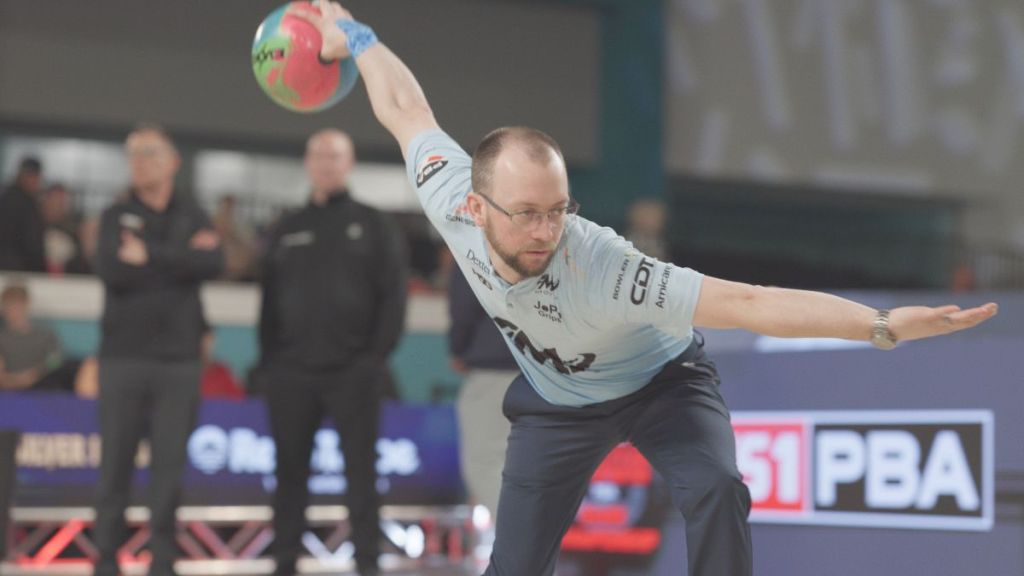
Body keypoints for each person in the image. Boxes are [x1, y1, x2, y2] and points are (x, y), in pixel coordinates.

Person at [299, 5, 999, 575]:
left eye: (558, 208)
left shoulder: (603, 265)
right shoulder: (450, 197)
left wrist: (881, 325)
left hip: (663, 384)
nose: (546, 229)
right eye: (527, 214)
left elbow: (751, 303)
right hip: (559, 404)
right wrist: (353, 35)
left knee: (716, 488)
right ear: (477, 209)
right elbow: (406, 110)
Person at [256, 128, 408, 576]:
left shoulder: (376, 225)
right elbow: (267, 304)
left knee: (361, 477)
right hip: (291, 374)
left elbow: (394, 298)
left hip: (354, 373)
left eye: (335, 155)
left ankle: (367, 565)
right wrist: (270, 363)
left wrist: (373, 359)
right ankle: (285, 563)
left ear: (349, 162)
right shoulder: (286, 228)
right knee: (288, 476)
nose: (326, 163)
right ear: (307, 163)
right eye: (318, 155)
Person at [91, 125, 224, 576]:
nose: (139, 161)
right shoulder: (114, 215)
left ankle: (162, 560)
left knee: (169, 468)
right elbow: (113, 270)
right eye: (132, 154)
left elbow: (215, 263)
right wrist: (181, 260)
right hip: (123, 359)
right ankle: (106, 558)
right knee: (115, 466)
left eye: (148, 153)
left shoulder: (194, 214)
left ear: (172, 162)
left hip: (180, 362)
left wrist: (151, 255)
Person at [447, 266, 519, 525]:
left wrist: (459, 348)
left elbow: (465, 306)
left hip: (494, 367)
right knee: (528, 469)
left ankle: (526, 553)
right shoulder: (551, 231)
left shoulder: (479, 236)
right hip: (544, 369)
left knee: (485, 464)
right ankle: (534, 554)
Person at [0, 282, 62, 391]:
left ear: (26, 305)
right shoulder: (2, 339)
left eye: (16, 305)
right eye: (8, 306)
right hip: (7, 393)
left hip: (41, 391)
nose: (12, 311)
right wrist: (10, 380)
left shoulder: (46, 336)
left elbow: (55, 361)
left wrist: (34, 374)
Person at [0, 157, 47, 273]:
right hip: (15, 268)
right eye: (32, 176)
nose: (36, 181)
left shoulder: (27, 200)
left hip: (19, 266)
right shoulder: (14, 201)